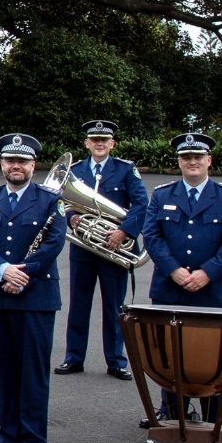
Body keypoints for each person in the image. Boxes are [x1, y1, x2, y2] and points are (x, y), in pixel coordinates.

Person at [0, 133, 67, 443]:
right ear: (2, 164)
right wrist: (3, 270)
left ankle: (32, 440)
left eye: (22, 161)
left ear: (33, 165)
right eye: (11, 161)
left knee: (32, 372)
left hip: (35, 295)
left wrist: (23, 274)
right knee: (2, 370)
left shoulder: (50, 200)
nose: (16, 166)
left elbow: (53, 243)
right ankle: (8, 436)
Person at [141, 132, 222, 422]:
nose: (192, 162)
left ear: (208, 160)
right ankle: (173, 412)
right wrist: (173, 269)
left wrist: (206, 273)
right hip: (169, 288)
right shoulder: (162, 195)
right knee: (168, 354)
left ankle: (217, 415)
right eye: (186, 157)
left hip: (211, 290)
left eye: (198, 157)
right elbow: (151, 235)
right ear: (179, 162)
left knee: (213, 356)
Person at [56, 119, 149, 380]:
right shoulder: (74, 171)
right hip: (85, 249)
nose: (99, 143)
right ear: (87, 143)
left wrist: (125, 232)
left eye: (104, 140)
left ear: (112, 144)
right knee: (79, 304)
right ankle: (74, 358)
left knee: (114, 307)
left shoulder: (126, 170)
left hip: (113, 248)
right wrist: (71, 216)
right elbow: (60, 201)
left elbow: (141, 204)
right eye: (94, 139)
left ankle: (116, 361)